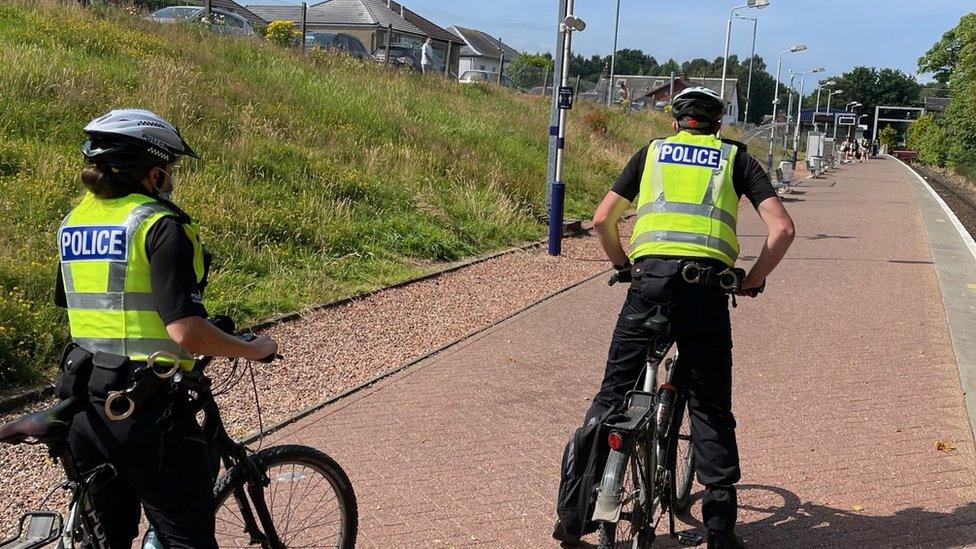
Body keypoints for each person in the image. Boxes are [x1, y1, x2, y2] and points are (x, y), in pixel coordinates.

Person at [557, 87, 795, 548]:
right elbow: (782, 228)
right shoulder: (735, 158)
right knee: (709, 407)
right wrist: (753, 279)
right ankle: (721, 531)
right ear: (717, 125)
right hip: (706, 291)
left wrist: (623, 266)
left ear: (675, 122)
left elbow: (603, 219)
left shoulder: (651, 153)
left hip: (649, 285)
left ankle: (573, 512)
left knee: (612, 394)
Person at [55, 109, 278, 548]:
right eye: (170, 171)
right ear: (153, 174)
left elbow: (96, 305)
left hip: (82, 400)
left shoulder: (74, 224)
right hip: (141, 407)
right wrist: (252, 349)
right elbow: (187, 333)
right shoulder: (160, 226)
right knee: (186, 538)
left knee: (111, 537)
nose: (171, 181)